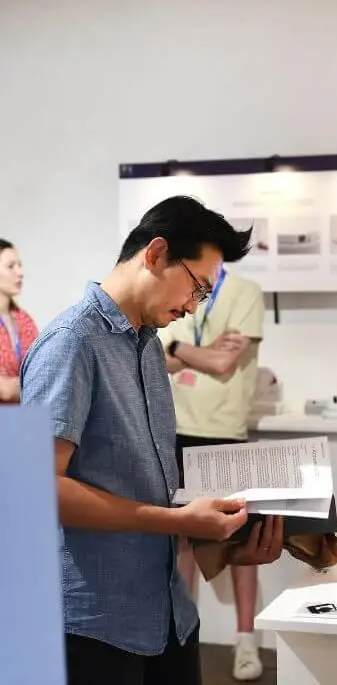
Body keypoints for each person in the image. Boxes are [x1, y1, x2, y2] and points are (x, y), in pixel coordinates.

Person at [19, 196, 284, 685]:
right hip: (93, 626)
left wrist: (226, 546)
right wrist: (174, 519)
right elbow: (38, 488)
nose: (191, 305)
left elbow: (143, 487)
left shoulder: (145, 346)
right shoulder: (70, 343)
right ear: (157, 253)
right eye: (197, 288)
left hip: (166, 616)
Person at [158, 271, 265, 681]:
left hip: (225, 431)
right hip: (176, 428)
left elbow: (223, 363)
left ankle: (246, 641)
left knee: (241, 535)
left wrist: (182, 346)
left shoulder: (244, 292)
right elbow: (159, 360)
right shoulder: (180, 289)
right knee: (182, 539)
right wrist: (194, 352)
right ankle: (184, 639)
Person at [0, 239, 38, 403]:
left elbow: (42, 373)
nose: (20, 272)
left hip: (18, 419)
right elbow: (4, 391)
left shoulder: (24, 320)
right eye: (11, 266)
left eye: (19, 265)